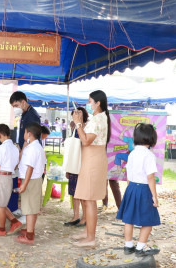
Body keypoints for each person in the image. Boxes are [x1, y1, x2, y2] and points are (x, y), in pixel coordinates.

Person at [71, 90, 111, 247]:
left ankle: (91, 238)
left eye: (90, 101)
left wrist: (79, 123)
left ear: (97, 103)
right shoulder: (98, 118)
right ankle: (88, 233)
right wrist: (80, 122)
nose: (88, 104)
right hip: (90, 160)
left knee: (90, 199)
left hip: (93, 161)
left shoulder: (99, 119)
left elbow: (86, 140)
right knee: (87, 199)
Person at [116, 123, 160, 257]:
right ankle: (141, 248)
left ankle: (128, 246)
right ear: (152, 138)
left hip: (131, 188)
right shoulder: (149, 155)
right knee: (148, 220)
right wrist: (155, 196)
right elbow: (151, 177)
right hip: (144, 190)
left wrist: (129, 189)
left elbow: (128, 174)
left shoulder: (133, 153)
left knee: (128, 219)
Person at [9, 91, 40, 220]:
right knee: (26, 189)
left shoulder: (32, 115)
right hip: (25, 151)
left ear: (23, 102)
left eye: (16, 105)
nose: (15, 109)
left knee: (29, 188)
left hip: (29, 154)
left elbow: (29, 138)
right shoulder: (25, 113)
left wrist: (21, 154)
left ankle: (28, 221)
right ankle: (25, 216)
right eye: (13, 107)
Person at [0, 124, 22, 236]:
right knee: (0, 203)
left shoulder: (1, 148)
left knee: (0, 205)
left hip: (1, 177)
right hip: (9, 177)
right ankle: (14, 221)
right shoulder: (15, 148)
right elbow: (16, 165)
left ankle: (1, 229)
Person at [15, 122, 46, 245]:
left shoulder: (33, 148)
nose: (23, 134)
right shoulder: (33, 146)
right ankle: (30, 231)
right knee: (31, 207)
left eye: (24, 132)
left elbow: (30, 168)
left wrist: (24, 184)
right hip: (32, 180)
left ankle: (29, 236)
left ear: (29, 134)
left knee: (29, 209)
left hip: (31, 180)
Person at [64, 107, 88, 227]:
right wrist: (68, 168)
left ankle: (85, 217)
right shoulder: (74, 129)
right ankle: (75, 216)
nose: (77, 115)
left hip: (84, 165)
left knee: (83, 194)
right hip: (74, 166)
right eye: (75, 113)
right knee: (73, 193)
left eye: (79, 113)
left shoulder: (87, 128)